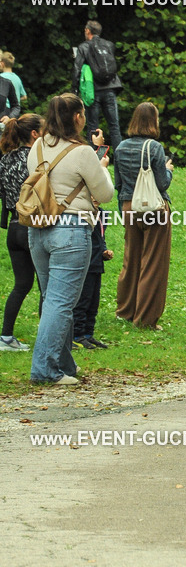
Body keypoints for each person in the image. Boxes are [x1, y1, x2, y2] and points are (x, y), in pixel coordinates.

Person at [26, 94, 113, 385]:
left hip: (38, 228)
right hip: (71, 229)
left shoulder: (38, 146)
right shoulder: (82, 152)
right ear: (77, 117)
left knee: (51, 299)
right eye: (83, 113)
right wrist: (101, 169)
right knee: (61, 304)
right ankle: (45, 370)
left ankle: (63, 365)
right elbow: (105, 195)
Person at [115, 102, 173, 329]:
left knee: (131, 259)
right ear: (153, 122)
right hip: (153, 209)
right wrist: (168, 170)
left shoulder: (120, 148)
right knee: (153, 263)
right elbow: (161, 183)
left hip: (129, 207)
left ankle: (125, 310)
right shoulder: (155, 148)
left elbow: (118, 184)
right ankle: (146, 319)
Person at [0, 114, 42, 350]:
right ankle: (47, 338)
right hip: (34, 225)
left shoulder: (5, 159)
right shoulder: (36, 159)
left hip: (13, 227)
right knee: (46, 285)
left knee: (21, 284)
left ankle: (5, 337)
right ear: (35, 134)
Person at [71, 20, 123, 151]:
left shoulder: (83, 47)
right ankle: (119, 156)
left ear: (87, 31)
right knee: (114, 126)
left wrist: (74, 91)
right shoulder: (109, 45)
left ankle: (95, 156)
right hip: (111, 88)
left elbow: (77, 69)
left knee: (93, 125)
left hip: (93, 91)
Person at [72, 210, 113, 348]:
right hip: (85, 263)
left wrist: (105, 251)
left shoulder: (102, 214)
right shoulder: (80, 214)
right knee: (83, 300)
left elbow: (100, 237)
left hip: (97, 262)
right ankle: (77, 334)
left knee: (94, 302)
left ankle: (89, 333)